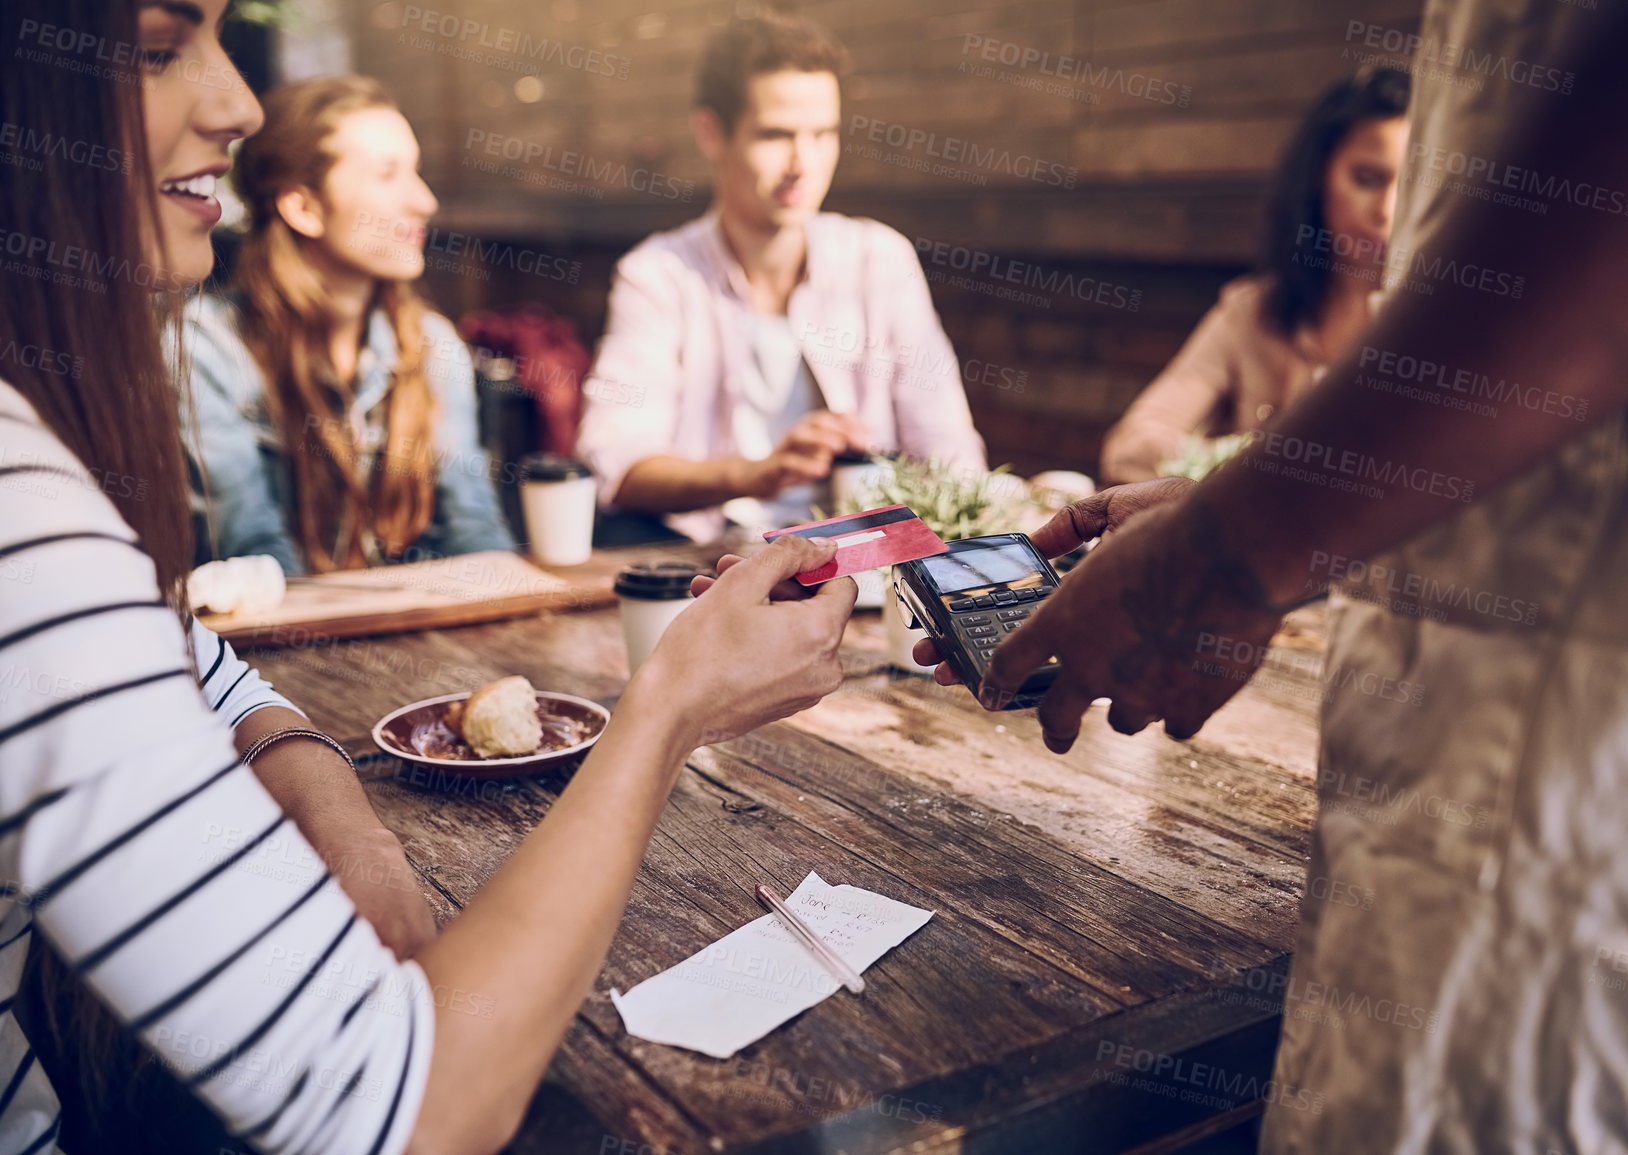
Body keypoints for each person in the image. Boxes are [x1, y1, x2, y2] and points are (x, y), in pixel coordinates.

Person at [0, 5, 855, 1155]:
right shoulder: (40, 501)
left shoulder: (425, 351)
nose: (237, 106)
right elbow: (404, 1114)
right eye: (160, 45)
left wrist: (347, 819)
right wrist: (669, 712)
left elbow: (190, 654)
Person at [924, 1, 1628, 1149]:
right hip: (1458, 785)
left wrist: (1237, 543)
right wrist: (1242, 514)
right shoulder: (1258, 310)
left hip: (1595, 788)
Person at [576, 10, 987, 542]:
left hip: (863, 561)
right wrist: (758, 473)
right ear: (711, 133)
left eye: (823, 134)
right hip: (710, 561)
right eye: (775, 135)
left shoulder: (880, 259)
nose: (804, 162)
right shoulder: (657, 276)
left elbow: (949, 454)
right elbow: (618, 464)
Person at [177, 76, 514, 573]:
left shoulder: (432, 343)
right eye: (387, 175)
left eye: (415, 172)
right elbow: (254, 559)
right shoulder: (205, 350)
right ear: (304, 207)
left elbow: (474, 533)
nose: (424, 201)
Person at [1099, 68, 1410, 484]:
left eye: (1409, 186)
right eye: (1367, 179)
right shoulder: (1253, 309)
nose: (1386, 211)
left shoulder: (1429, 324)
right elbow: (1129, 448)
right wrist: (1257, 462)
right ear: (1318, 177)